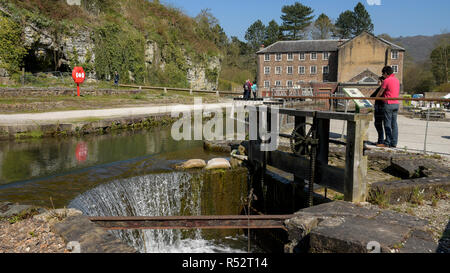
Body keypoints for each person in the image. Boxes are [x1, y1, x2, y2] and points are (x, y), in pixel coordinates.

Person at [375, 66, 400, 148]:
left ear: (385, 73)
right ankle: (394, 143)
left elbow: (380, 93)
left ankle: (387, 143)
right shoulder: (397, 80)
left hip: (388, 104)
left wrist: (376, 97)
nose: (383, 75)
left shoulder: (386, 81)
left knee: (387, 124)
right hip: (396, 103)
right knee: (394, 124)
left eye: (383, 74)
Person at [370, 76, 385, 145]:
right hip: (380, 107)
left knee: (378, 124)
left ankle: (381, 140)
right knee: (379, 124)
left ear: (382, 81)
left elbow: (372, 96)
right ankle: (381, 140)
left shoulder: (380, 89)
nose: (377, 82)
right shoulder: (381, 89)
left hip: (379, 107)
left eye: (379, 81)